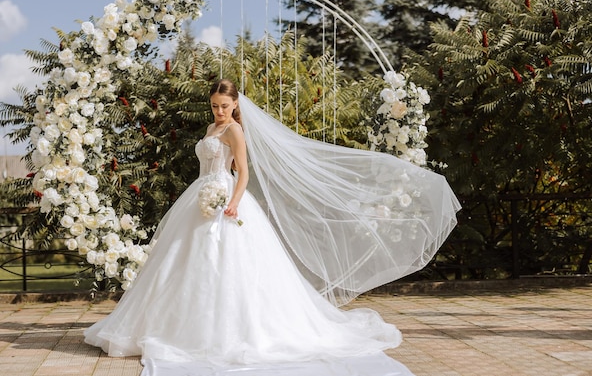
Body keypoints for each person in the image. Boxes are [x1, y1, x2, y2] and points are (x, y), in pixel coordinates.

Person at [84, 79, 461, 376]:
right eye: (214, 106)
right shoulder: (211, 128)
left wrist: (231, 203)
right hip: (200, 195)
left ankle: (229, 331)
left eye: (224, 106)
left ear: (235, 105)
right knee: (182, 264)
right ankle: (172, 326)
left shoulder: (234, 131)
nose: (218, 111)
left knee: (228, 265)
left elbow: (244, 172)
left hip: (226, 198)